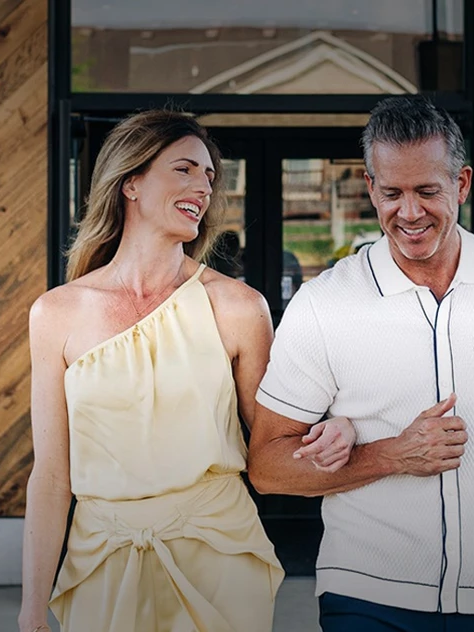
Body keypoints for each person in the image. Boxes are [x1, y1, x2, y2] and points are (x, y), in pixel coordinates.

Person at [247, 97, 474, 632]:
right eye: (393, 193)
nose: (410, 212)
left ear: (462, 184)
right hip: (365, 595)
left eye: (428, 191)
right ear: (370, 187)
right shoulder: (323, 303)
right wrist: (394, 455)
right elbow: (266, 466)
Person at [18, 110, 358, 632]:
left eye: (209, 175)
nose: (203, 186)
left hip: (218, 557)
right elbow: (50, 477)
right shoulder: (55, 313)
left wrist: (340, 426)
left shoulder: (239, 307)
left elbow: (276, 439)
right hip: (101, 561)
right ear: (130, 182)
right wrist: (30, 608)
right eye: (185, 169)